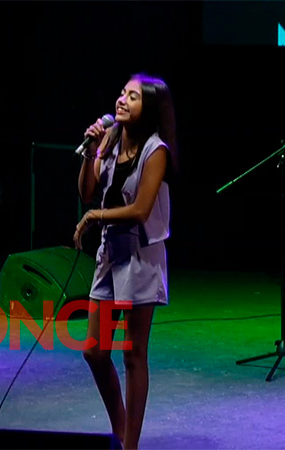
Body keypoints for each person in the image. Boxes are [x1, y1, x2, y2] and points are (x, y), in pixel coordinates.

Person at [74, 73, 177, 450]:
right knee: (94, 350)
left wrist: (95, 217)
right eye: (122, 93)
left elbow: (140, 210)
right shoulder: (110, 138)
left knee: (133, 355)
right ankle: (120, 431)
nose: (122, 100)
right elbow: (88, 192)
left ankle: (130, 445)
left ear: (148, 108)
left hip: (140, 256)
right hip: (110, 253)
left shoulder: (156, 150)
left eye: (133, 97)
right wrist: (91, 150)